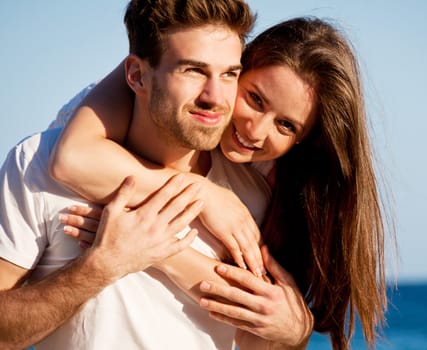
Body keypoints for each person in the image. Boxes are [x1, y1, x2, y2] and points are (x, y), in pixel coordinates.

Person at [51, 16, 392, 350]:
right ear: (237, 68)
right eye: (255, 99)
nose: (255, 131)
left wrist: (297, 329)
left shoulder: (282, 181)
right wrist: (204, 195)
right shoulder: (148, 91)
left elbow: (258, 312)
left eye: (287, 126)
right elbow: (74, 158)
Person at [0, 1, 279, 349]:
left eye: (229, 74)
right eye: (193, 71)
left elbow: (269, 335)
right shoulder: (37, 164)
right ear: (136, 75)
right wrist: (98, 268)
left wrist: (297, 330)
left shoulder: (250, 198)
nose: (215, 97)